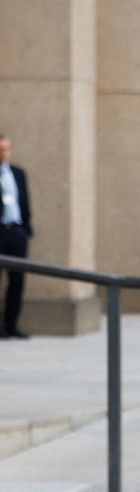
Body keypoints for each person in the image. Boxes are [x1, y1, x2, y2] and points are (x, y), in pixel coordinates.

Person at [0, 135, 33, 339]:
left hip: (17, 232)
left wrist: (26, 230)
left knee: (17, 281)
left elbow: (25, 202)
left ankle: (12, 324)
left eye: (5, 149)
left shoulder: (18, 173)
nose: (3, 153)